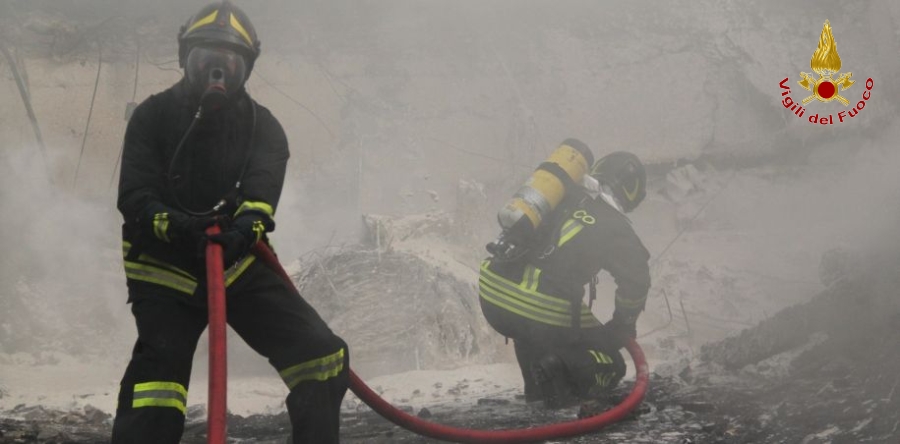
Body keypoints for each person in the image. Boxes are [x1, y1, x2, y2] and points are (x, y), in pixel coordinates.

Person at [111, 2, 349, 442]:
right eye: (205, 59)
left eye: (230, 63)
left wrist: (243, 230)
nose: (216, 73)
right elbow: (134, 197)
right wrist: (179, 226)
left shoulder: (265, 128)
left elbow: (260, 199)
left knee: (322, 355)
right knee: (157, 387)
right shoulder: (152, 117)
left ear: (247, 69)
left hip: (234, 263)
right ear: (185, 59)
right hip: (165, 270)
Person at [479, 141, 651, 408]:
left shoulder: (559, 197)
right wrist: (622, 324)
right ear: (631, 190)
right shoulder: (614, 224)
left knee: (531, 323)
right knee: (612, 363)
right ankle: (559, 367)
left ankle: (537, 392)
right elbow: (636, 281)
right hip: (535, 307)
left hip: (492, 293)